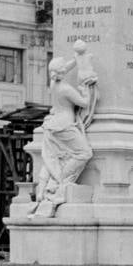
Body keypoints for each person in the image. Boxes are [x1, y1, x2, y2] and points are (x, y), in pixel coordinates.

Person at [31, 53, 97, 219]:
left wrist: (77, 59)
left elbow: (63, 68)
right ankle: (61, 181)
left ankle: (46, 187)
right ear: (61, 72)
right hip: (65, 126)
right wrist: (86, 88)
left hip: (52, 125)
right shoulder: (66, 89)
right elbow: (84, 103)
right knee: (84, 153)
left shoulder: (54, 83)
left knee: (54, 156)